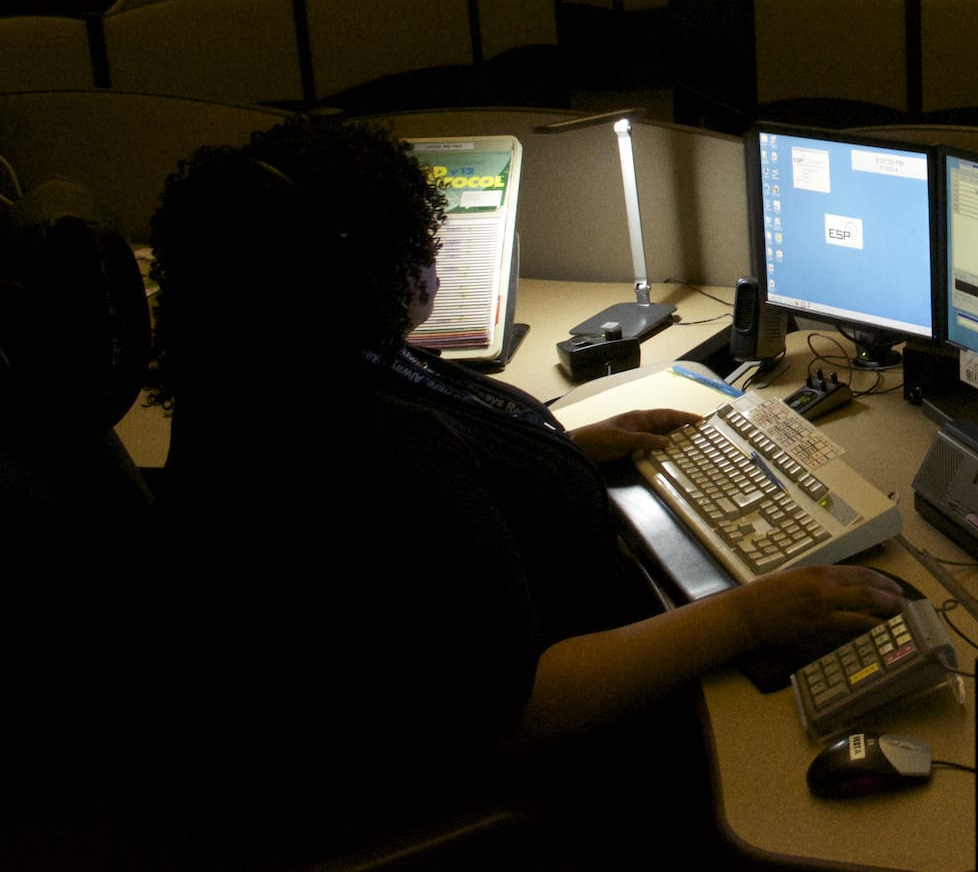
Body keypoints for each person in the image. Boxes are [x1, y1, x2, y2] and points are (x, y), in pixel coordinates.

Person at [144, 118, 904, 856]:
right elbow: (514, 704)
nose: (434, 260)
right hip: (537, 768)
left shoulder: (273, 372)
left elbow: (422, 524)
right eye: (419, 244)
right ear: (360, 270)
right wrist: (749, 615)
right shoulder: (364, 449)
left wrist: (550, 450)